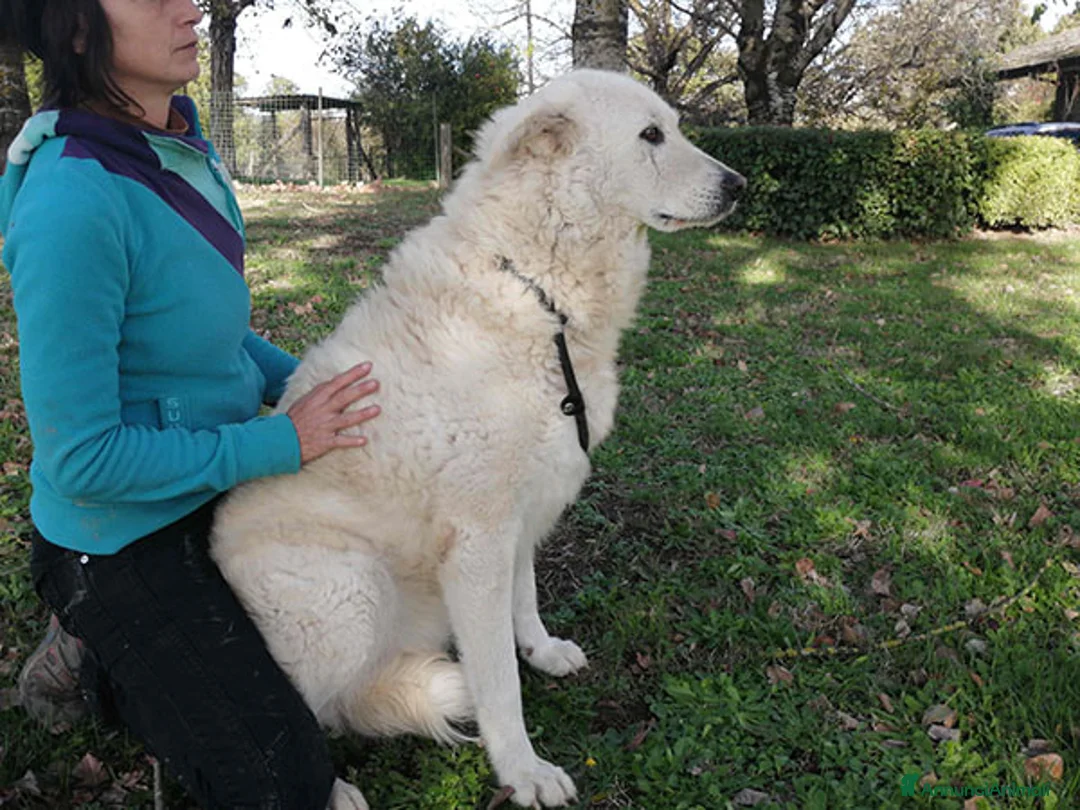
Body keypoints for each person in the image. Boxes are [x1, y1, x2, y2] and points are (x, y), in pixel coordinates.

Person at [2, 1, 381, 807]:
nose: (190, 8)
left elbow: (216, 338)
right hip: (117, 536)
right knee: (284, 782)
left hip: (210, 483)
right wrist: (283, 443)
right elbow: (82, 460)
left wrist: (319, 383)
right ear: (75, 29)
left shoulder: (177, 143)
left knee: (356, 634)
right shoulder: (72, 200)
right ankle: (96, 651)